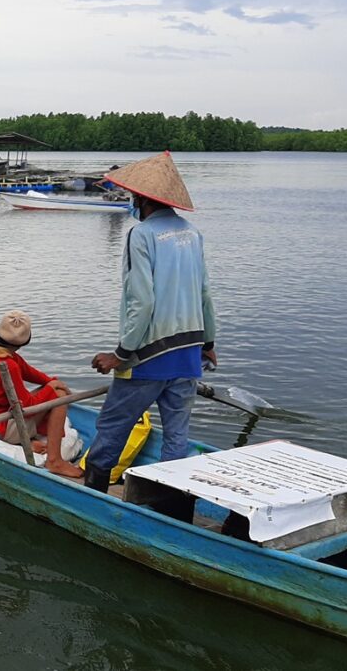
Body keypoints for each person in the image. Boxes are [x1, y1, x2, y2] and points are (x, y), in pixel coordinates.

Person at [84, 152, 217, 495]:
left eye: (132, 197)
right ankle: (169, 502)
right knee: (176, 434)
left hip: (148, 356)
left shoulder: (141, 234)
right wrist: (209, 344)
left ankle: (94, 490)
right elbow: (204, 294)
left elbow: (141, 302)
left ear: (141, 199)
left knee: (114, 424)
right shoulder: (192, 233)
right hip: (189, 353)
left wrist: (120, 353)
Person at [0, 310, 85, 477]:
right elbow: (28, 405)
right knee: (60, 398)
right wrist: (53, 389)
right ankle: (55, 461)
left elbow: (29, 372)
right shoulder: (7, 364)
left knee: (56, 391)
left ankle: (34, 444)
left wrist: (52, 381)